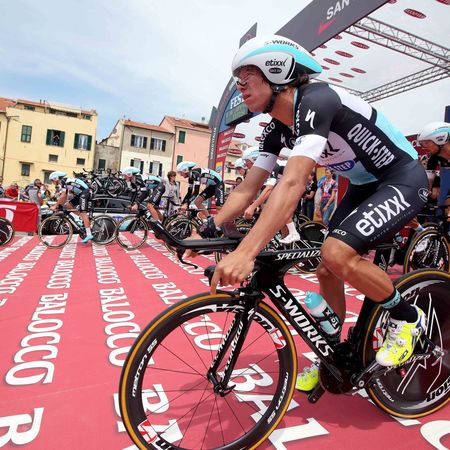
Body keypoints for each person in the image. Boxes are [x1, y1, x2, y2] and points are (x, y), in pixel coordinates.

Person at [200, 35, 428, 390]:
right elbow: (247, 188)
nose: (240, 87)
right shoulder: (276, 129)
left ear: (277, 72)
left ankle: (407, 316)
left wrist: (247, 252)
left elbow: (293, 183)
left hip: (401, 178)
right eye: (237, 81)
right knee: (325, 268)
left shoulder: (317, 99)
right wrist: (207, 229)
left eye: (246, 77)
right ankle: (332, 355)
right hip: (364, 186)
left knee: (335, 253)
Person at [50, 173, 93, 243]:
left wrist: (55, 205)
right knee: (68, 205)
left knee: (83, 213)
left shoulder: (63, 182)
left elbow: (63, 195)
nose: (52, 182)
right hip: (80, 194)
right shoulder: (64, 182)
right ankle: (83, 219)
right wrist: (59, 205)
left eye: (52, 180)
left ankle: (89, 234)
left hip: (85, 193)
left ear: (56, 178)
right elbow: (65, 197)